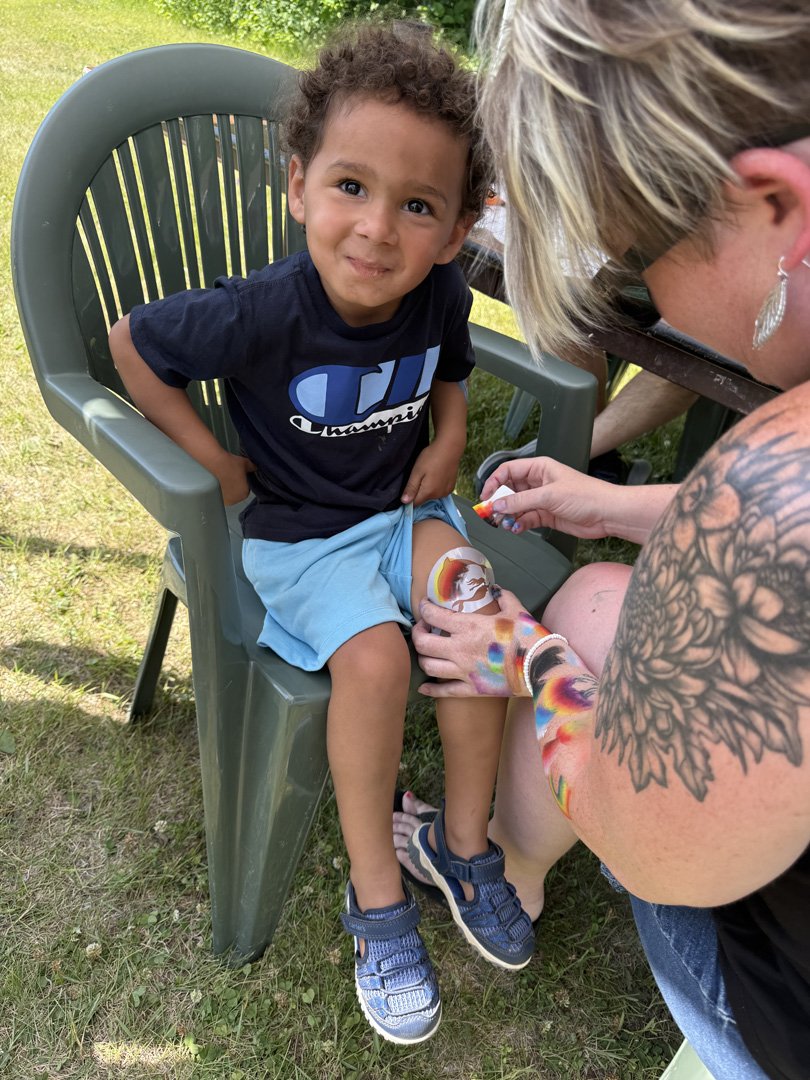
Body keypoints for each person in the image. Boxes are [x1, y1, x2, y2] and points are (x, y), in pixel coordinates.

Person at [396, 2, 810, 1076]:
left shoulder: (777, 491)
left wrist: (522, 656)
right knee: (597, 595)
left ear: (778, 205)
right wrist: (603, 504)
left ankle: (501, 865)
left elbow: (647, 835)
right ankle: (512, 872)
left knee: (577, 621)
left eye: (633, 257)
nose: (643, 297)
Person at [108, 21, 533, 1046]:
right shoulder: (261, 311)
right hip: (302, 541)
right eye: (351, 186)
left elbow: (455, 360)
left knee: (478, 609)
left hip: (403, 515)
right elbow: (133, 344)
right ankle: (378, 903)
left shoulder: (435, 289)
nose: (378, 229)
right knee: (378, 666)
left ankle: (463, 847)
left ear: (461, 224)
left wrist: (452, 429)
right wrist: (211, 462)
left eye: (417, 204)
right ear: (298, 183)